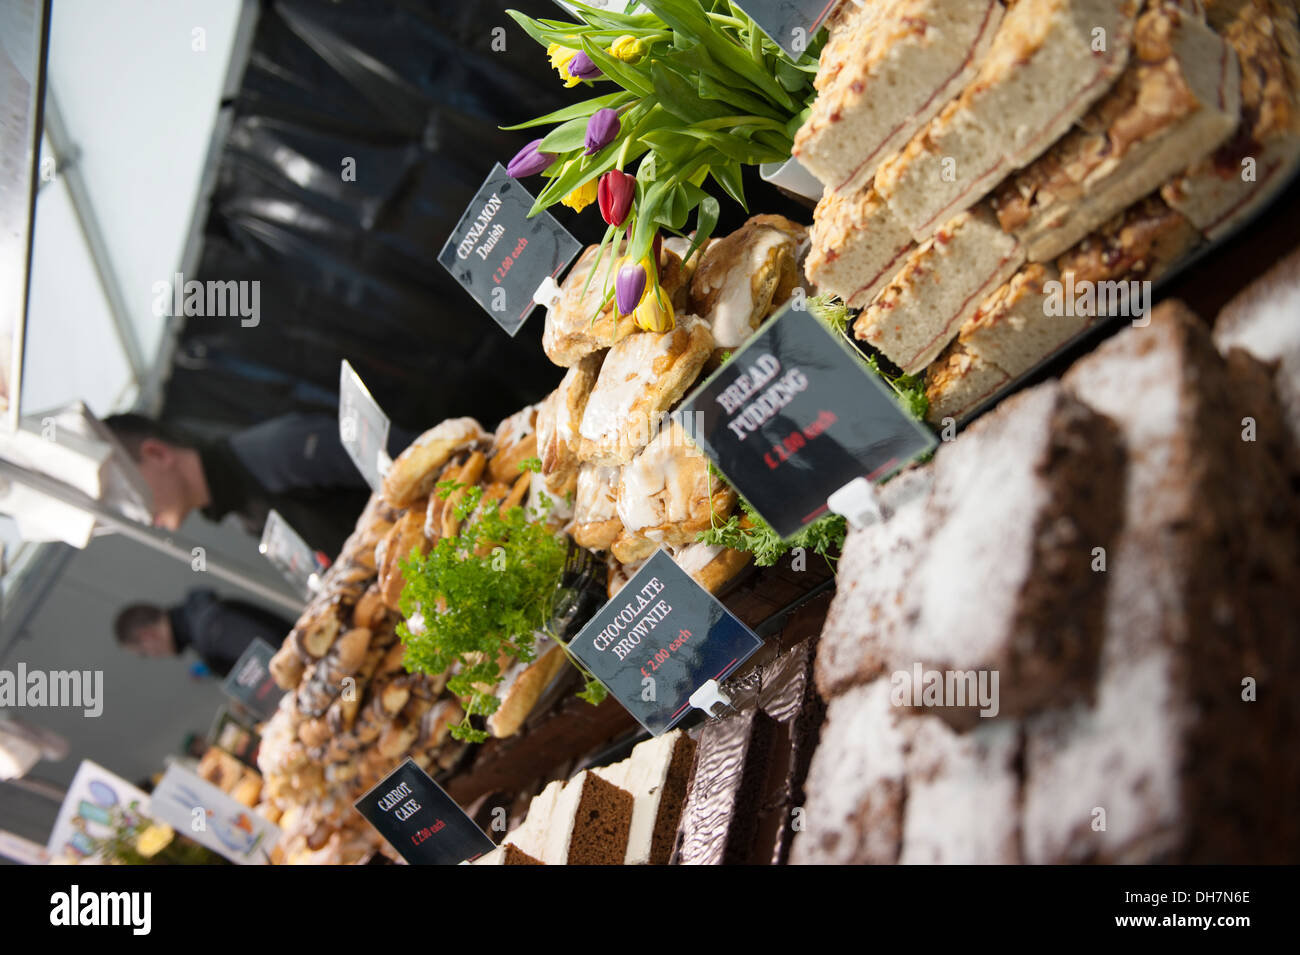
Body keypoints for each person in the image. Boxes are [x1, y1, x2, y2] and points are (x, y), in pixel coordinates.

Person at [104, 411, 412, 555]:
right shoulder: (243, 514)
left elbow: (419, 462)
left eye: (126, 493)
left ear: (156, 454)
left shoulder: (278, 452)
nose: (137, 515)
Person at [113, 589, 294, 679]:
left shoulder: (210, 627)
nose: (152, 656)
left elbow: (277, 658)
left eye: (144, 653)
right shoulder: (200, 623)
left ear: (147, 636)